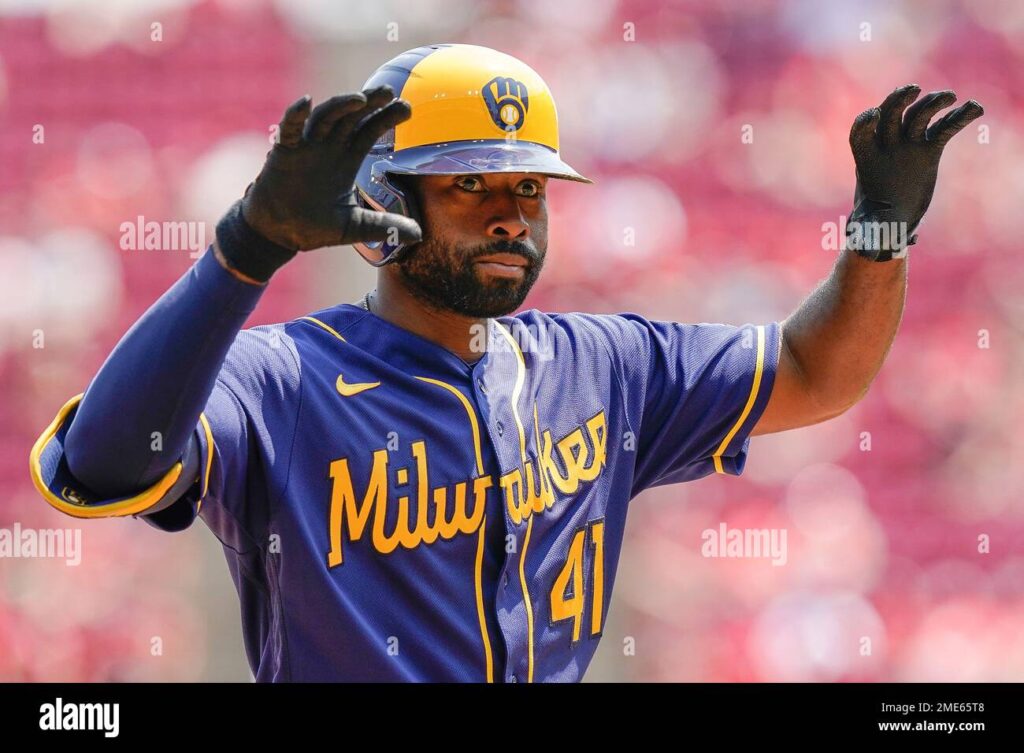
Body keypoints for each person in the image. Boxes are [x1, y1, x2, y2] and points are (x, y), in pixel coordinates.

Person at [29, 43, 983, 682]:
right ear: (381, 209)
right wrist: (246, 247)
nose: (510, 214)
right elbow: (108, 462)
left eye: (529, 185)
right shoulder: (278, 381)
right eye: (469, 185)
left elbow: (820, 375)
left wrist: (880, 230)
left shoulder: (606, 365)